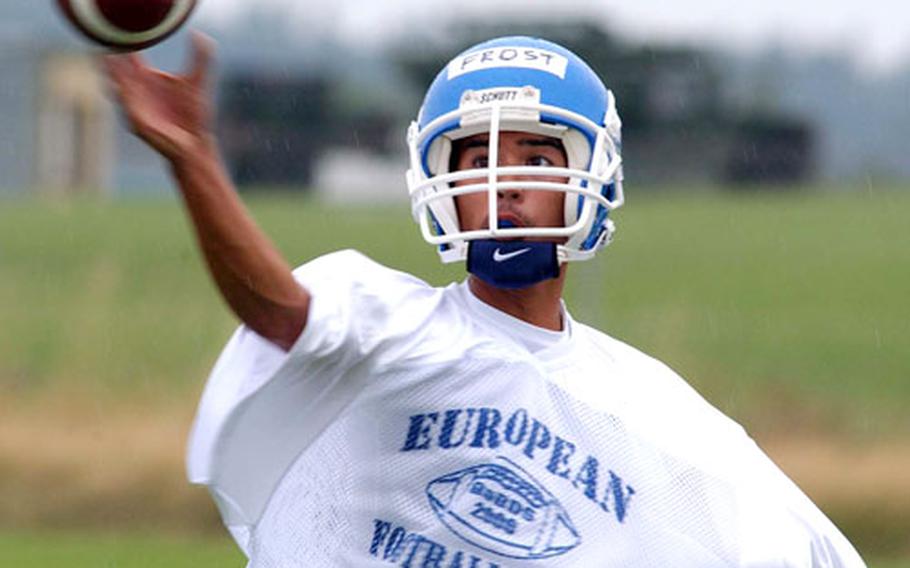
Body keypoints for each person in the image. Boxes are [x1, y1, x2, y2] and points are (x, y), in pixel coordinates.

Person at [103, 33, 866, 567]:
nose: (503, 184)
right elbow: (278, 310)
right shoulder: (386, 329)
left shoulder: (660, 418)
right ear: (439, 187)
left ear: (593, 176)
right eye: (477, 157)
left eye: (535, 155)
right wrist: (195, 160)